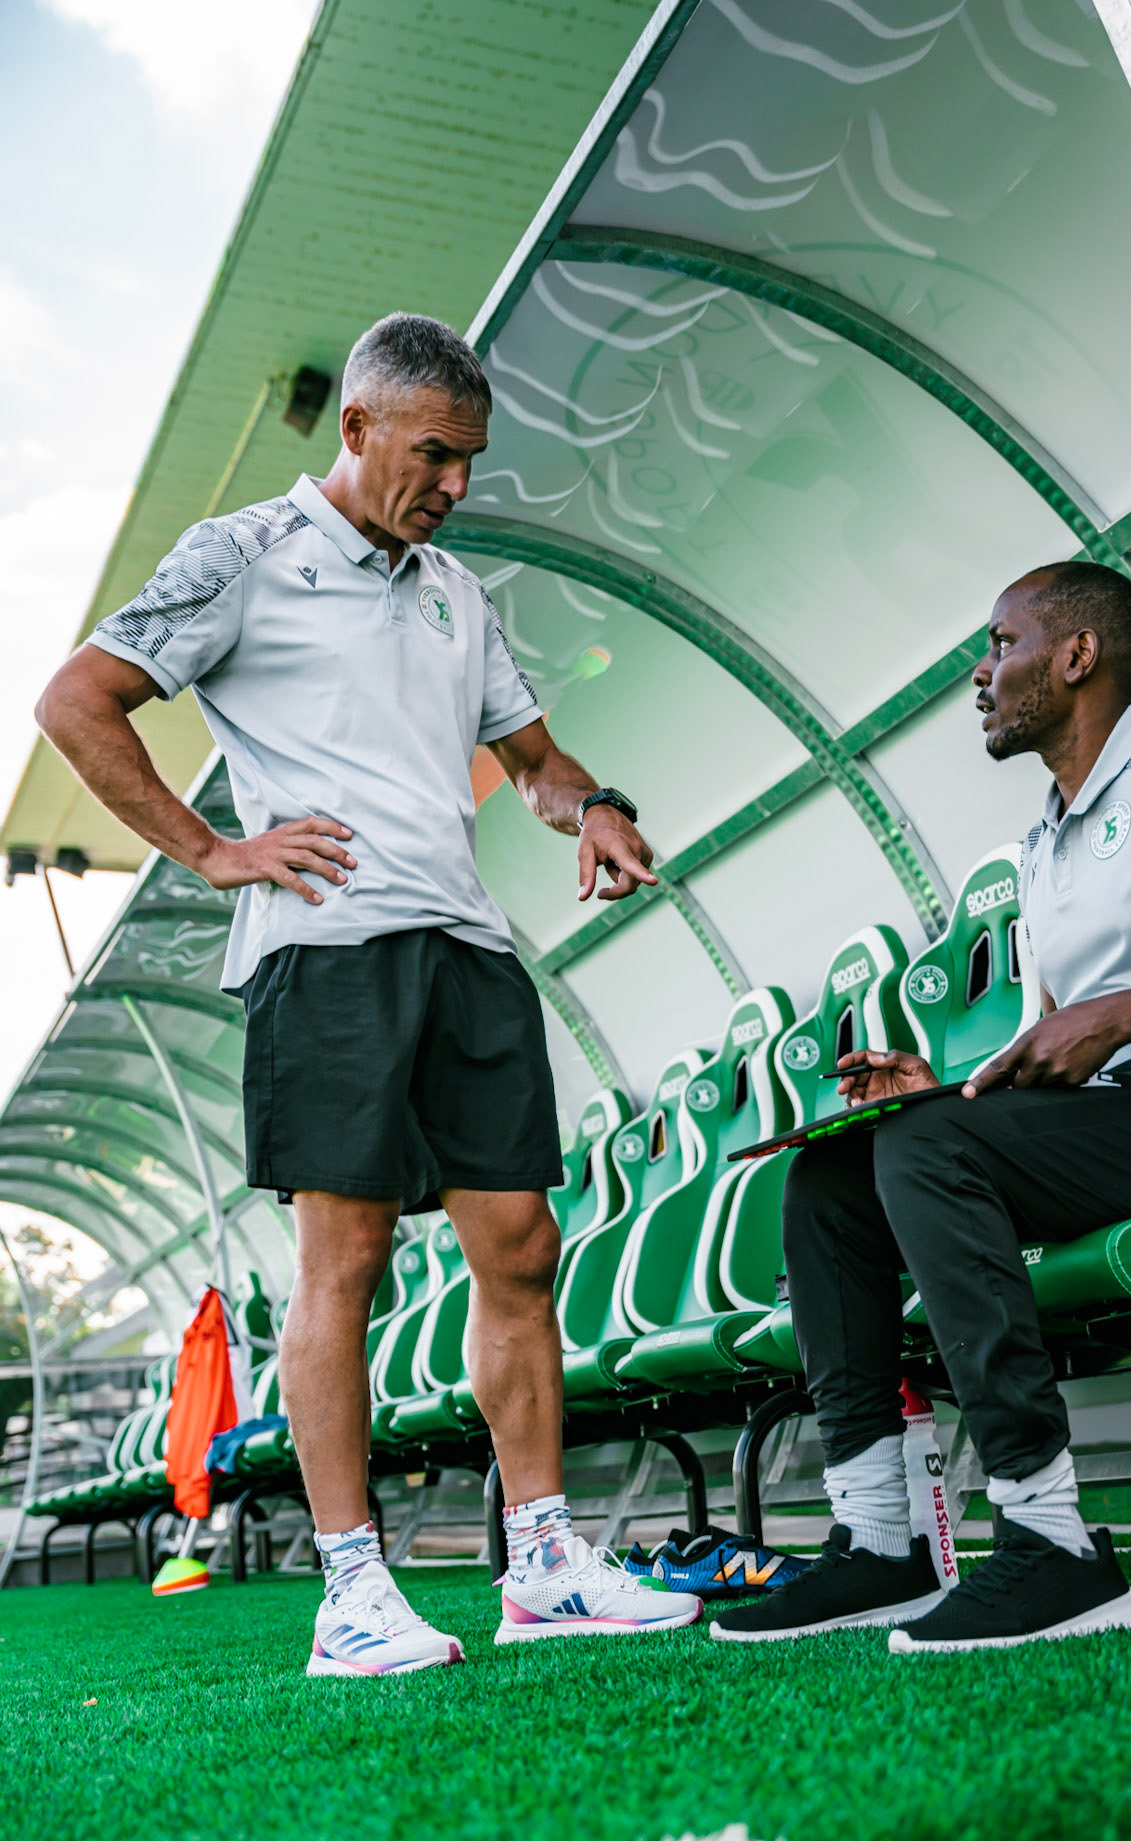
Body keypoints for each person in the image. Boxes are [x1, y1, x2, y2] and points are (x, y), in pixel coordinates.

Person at [36, 312, 700, 1674]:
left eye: (470, 460)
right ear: (357, 430)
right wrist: (215, 851)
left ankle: (546, 1562)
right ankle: (350, 1591)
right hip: (326, 952)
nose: (453, 484)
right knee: (348, 1262)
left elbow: (535, 760)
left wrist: (596, 809)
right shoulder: (242, 555)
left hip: (468, 950)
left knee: (519, 1246)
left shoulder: (458, 591)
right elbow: (77, 701)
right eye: (434, 454)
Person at [711, 561, 1131, 1652]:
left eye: (1002, 646)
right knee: (832, 1177)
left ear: (1077, 656)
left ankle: (1049, 1542)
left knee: (928, 1151)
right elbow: (1068, 1053)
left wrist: (1123, 1015)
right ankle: (882, 1541)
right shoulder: (1045, 842)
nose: (982, 675)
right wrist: (941, 1090)